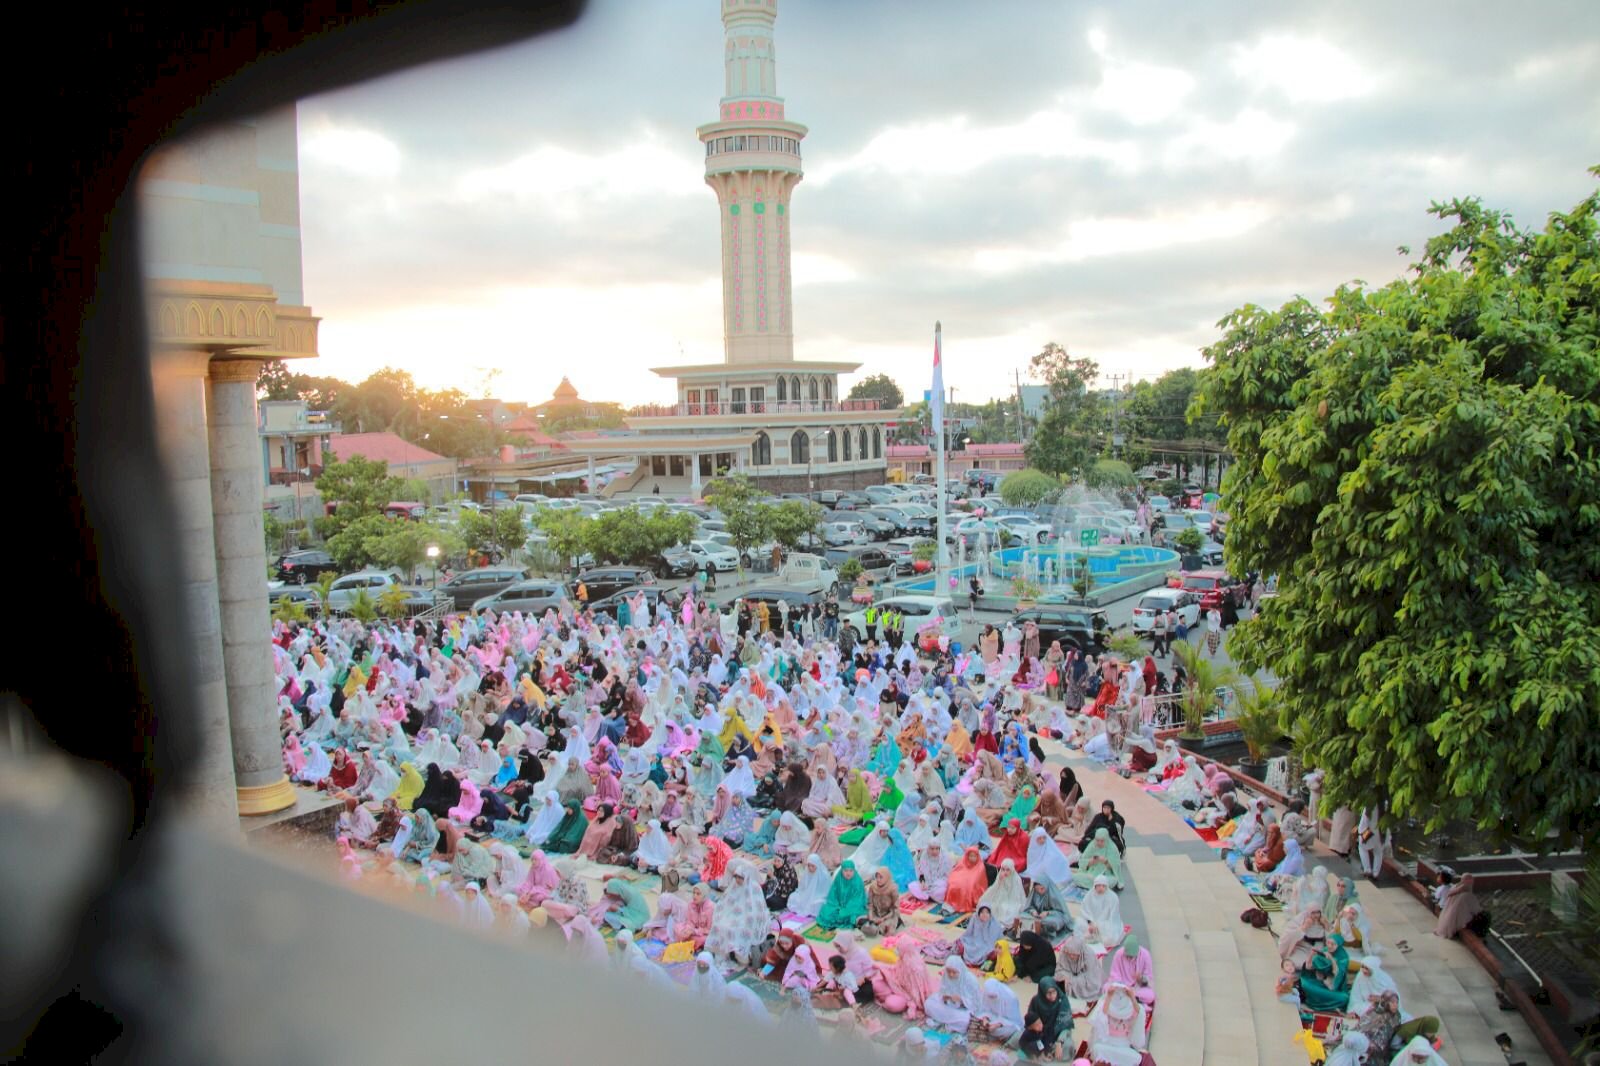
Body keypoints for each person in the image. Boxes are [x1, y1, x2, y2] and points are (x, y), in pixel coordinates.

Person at [1433, 873, 1483, 939]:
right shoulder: (1464, 885)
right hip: (1457, 905)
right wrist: (1450, 894)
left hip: (1456, 904)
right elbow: (1454, 892)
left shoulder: (1461, 884)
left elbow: (1453, 892)